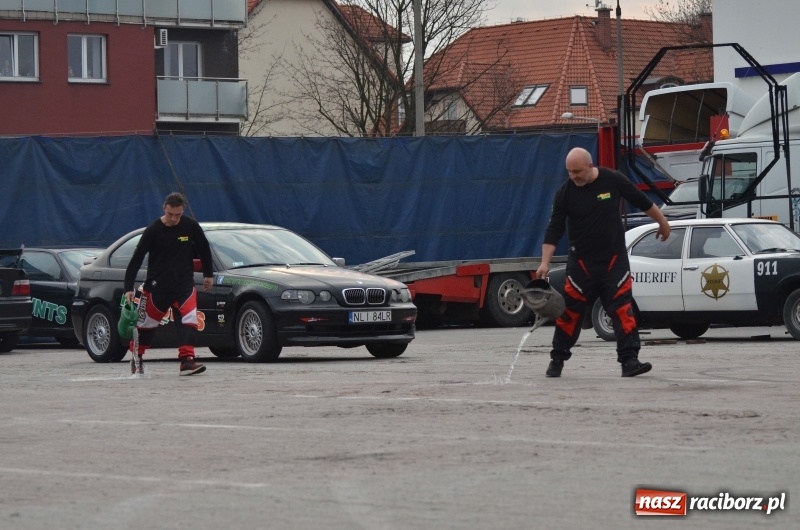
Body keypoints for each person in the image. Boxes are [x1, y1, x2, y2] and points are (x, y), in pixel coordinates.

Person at [535, 148, 671, 378]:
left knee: (622, 310)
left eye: (577, 171)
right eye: (569, 172)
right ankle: (557, 359)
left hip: (613, 261)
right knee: (570, 313)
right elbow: (554, 229)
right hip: (581, 264)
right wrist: (544, 262)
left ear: (590, 166)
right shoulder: (564, 193)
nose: (573, 176)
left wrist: (663, 223)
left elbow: (642, 201)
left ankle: (629, 361)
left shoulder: (613, 179)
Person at [124, 192, 214, 376]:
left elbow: (204, 247)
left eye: (178, 215)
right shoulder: (153, 230)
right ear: (164, 208)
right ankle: (137, 357)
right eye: (170, 214)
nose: (174, 219)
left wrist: (208, 274)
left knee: (189, 320)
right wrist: (128, 288)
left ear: (183, 210)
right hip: (157, 287)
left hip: (184, 285)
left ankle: (187, 361)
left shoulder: (190, 226)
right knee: (146, 326)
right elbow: (136, 258)